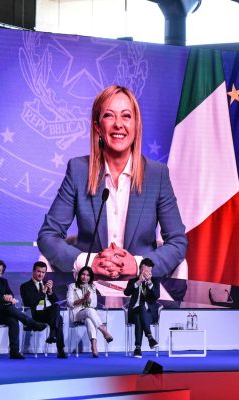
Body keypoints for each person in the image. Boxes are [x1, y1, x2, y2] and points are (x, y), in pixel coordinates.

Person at [37, 85, 187, 283]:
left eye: (126, 116)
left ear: (136, 125)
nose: (118, 124)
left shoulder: (156, 175)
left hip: (140, 289)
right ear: (98, 127)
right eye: (109, 115)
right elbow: (48, 236)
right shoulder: (78, 171)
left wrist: (139, 265)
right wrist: (89, 262)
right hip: (89, 288)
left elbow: (177, 242)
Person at [0, 259, 47, 359]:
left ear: (1, 273)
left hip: (2, 312)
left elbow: (11, 294)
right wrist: (4, 299)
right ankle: (31, 323)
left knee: (13, 319)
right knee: (8, 306)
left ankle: (14, 351)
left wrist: (9, 297)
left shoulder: (4, 282)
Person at [20, 261, 67, 358]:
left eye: (43, 272)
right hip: (35, 314)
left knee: (55, 307)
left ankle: (53, 335)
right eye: (38, 271)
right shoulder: (25, 286)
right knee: (59, 319)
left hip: (48, 314)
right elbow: (29, 302)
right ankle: (60, 348)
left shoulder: (47, 284)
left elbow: (56, 302)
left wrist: (50, 292)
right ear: (33, 271)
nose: (40, 274)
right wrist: (43, 291)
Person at [66, 266, 113, 357]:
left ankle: (94, 346)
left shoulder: (92, 287)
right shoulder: (72, 286)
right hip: (76, 314)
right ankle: (104, 331)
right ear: (79, 275)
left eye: (88, 275)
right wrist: (82, 300)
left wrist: (88, 300)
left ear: (90, 277)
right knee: (89, 311)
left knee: (89, 317)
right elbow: (69, 303)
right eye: (83, 274)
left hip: (89, 314)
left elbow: (94, 304)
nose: (85, 277)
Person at [124, 258, 160, 358]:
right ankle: (150, 337)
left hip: (149, 313)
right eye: (145, 270)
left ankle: (138, 348)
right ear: (140, 269)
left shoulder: (154, 281)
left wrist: (149, 283)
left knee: (140, 312)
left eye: (149, 271)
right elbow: (126, 292)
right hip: (133, 311)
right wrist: (139, 282)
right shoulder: (133, 281)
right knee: (139, 309)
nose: (147, 273)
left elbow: (156, 296)